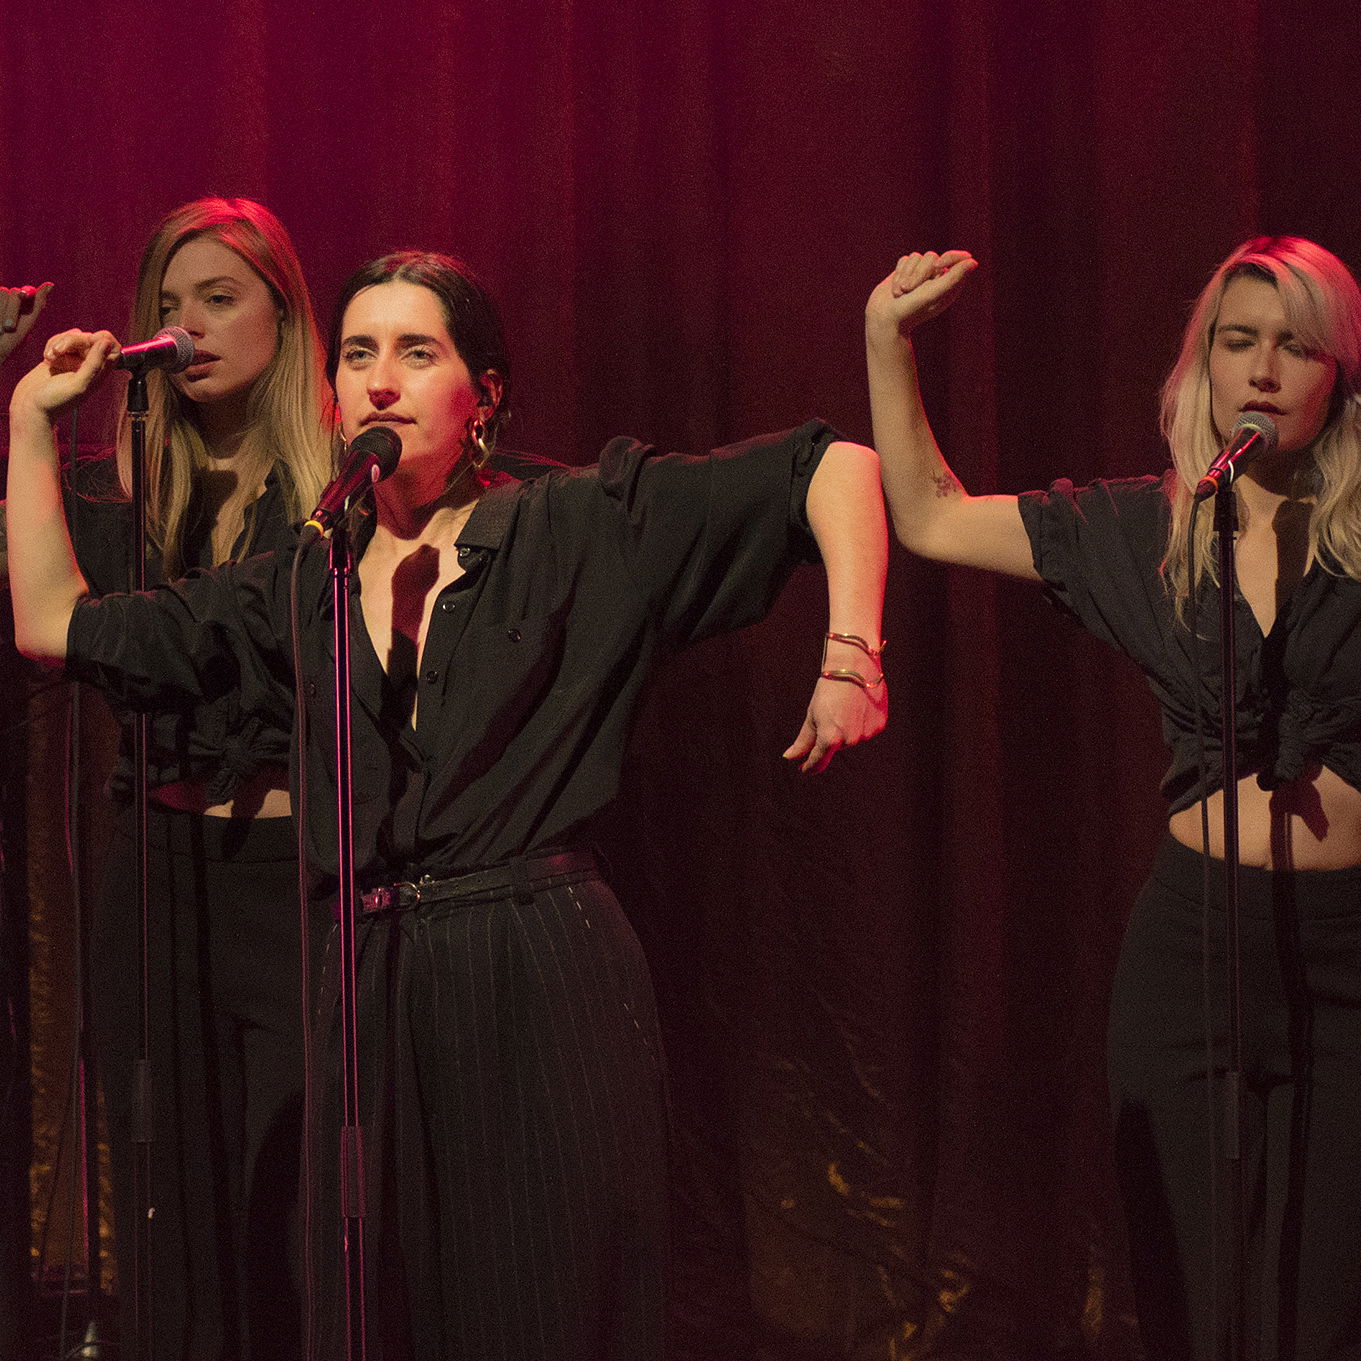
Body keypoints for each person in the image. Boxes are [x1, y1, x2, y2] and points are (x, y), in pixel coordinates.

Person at [7, 249, 889, 1359]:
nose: (379, 380)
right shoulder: (302, 574)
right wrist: (33, 423)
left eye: (417, 353)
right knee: (379, 1309)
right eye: (360, 354)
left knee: (543, 1302)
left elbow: (832, 466)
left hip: (534, 957)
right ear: (329, 397)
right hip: (367, 974)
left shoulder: (576, 521)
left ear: (486, 394)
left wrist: (850, 654)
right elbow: (56, 624)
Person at [867, 240, 1361, 1360]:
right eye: (1237, 341)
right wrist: (885, 343)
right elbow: (933, 518)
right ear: (1201, 367)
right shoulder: (1148, 530)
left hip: (1347, 962)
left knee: (1320, 1310)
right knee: (1194, 1303)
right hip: (1192, 952)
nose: (1263, 368)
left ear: (1336, 372)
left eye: (1294, 344)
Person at [7, 198, 334, 1361]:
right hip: (158, 874)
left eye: (215, 296)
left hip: (300, 881)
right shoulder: (121, 497)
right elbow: (33, 604)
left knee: (303, 1205)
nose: (183, 324)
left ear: (285, 318)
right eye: (164, 303)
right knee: (170, 1203)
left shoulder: (343, 489)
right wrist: (27, 419)